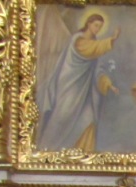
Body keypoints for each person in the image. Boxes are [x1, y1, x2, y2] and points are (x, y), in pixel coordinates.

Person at [37, 13, 120, 151]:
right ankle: (49, 149)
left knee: (89, 120)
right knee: (63, 117)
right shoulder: (78, 40)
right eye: (96, 25)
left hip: (85, 93)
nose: (97, 29)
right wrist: (111, 40)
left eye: (100, 27)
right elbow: (89, 49)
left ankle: (84, 154)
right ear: (88, 24)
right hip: (70, 86)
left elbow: (97, 69)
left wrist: (108, 84)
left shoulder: (93, 43)